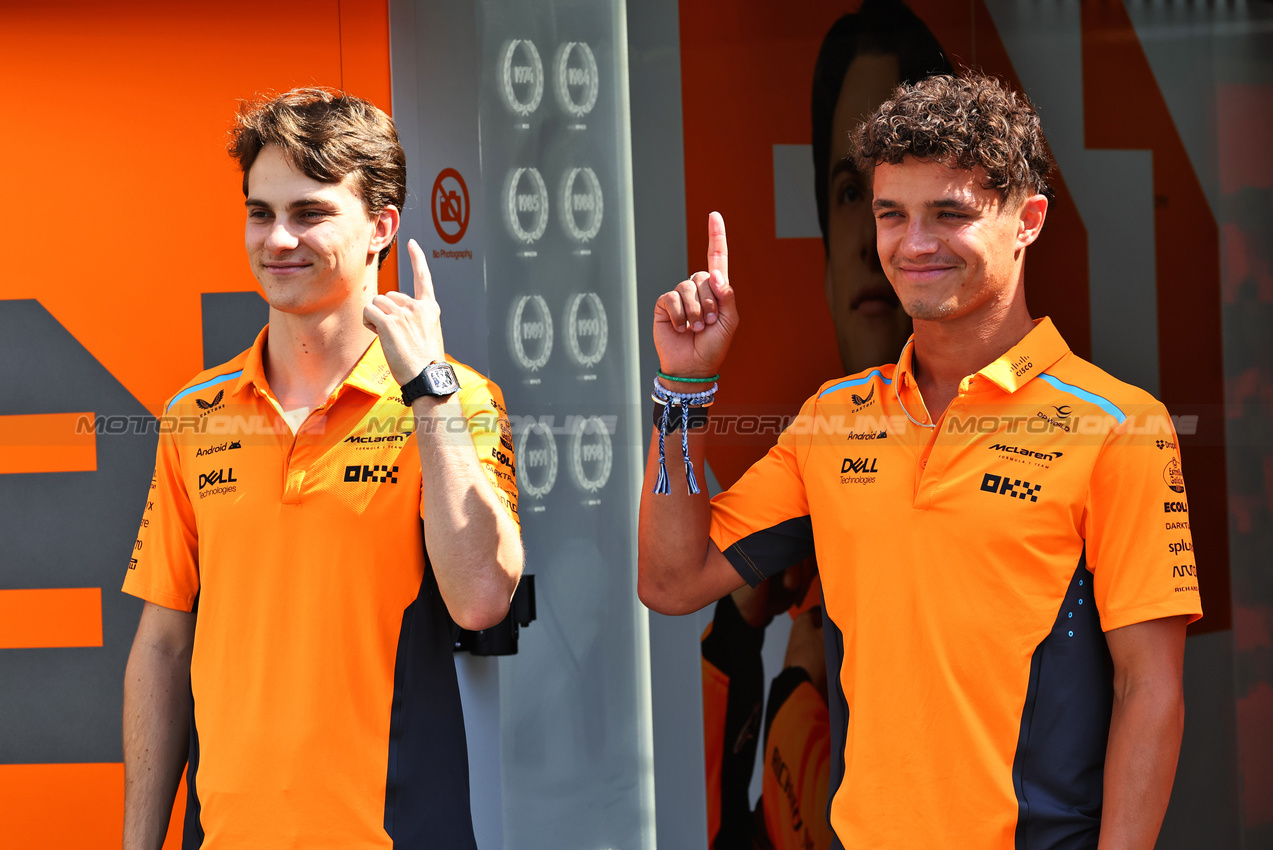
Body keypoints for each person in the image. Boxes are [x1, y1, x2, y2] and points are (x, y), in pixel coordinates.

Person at [640, 73, 1201, 848]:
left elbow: (1151, 691)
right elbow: (670, 580)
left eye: (949, 214)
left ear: (1027, 221)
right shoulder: (832, 418)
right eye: (890, 214)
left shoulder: (1119, 427)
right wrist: (683, 384)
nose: (912, 245)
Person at [120, 87, 523, 849]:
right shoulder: (195, 414)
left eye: (309, 213)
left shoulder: (456, 399)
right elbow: (163, 646)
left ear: (380, 228)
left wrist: (426, 393)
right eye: (260, 213)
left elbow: (480, 601)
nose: (278, 240)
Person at [700, 7, 954, 847]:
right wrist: (741, 634)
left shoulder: (1072, 427)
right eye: (856, 195)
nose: (883, 238)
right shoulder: (812, 448)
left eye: (918, 196)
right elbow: (668, 580)